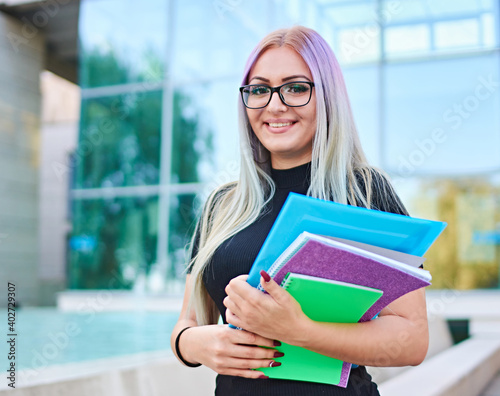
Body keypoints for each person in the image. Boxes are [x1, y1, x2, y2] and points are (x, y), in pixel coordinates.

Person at [170, 25, 429, 396]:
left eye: (295, 87)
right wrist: (193, 345)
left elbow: (413, 338)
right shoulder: (221, 206)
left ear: (327, 97)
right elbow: (188, 322)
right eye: (259, 90)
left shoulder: (363, 191)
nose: (275, 105)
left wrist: (298, 330)